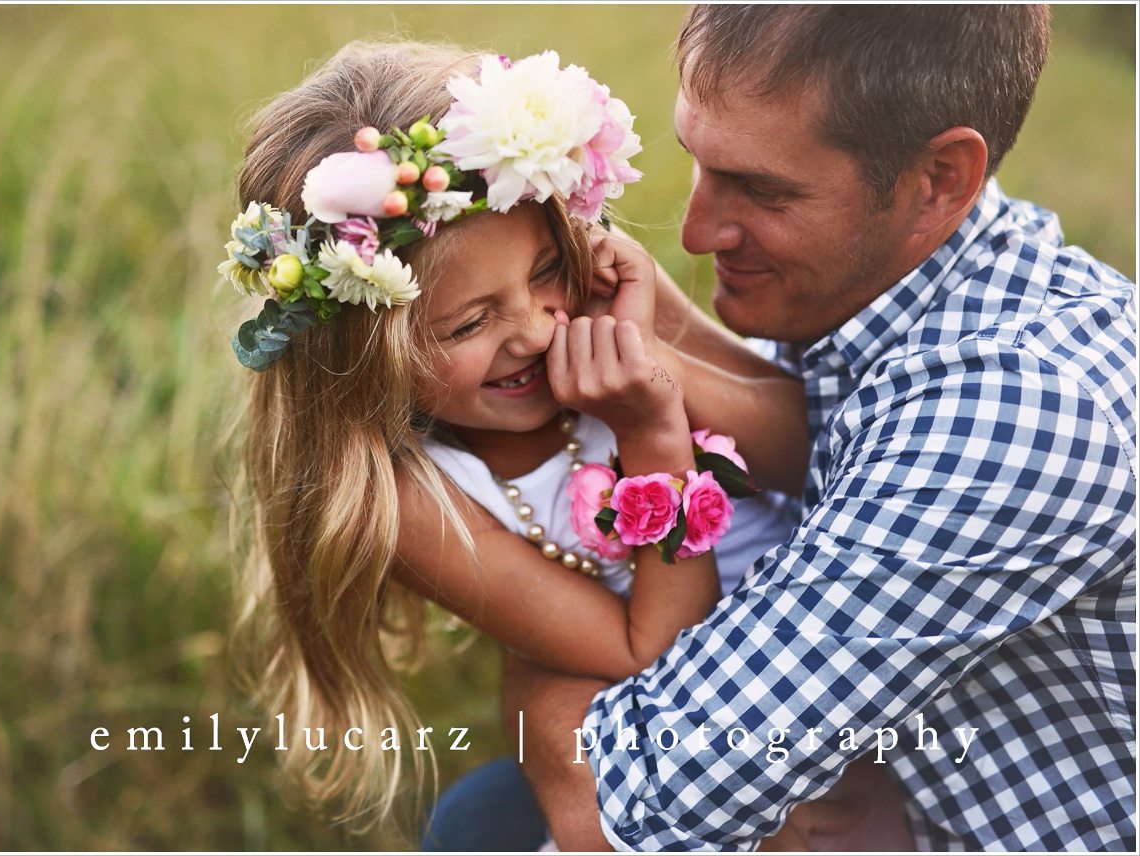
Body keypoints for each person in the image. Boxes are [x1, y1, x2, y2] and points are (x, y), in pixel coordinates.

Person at [506, 5, 1137, 851]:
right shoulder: (870, 276)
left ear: (941, 179)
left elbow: (639, 806)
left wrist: (535, 684)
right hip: (887, 800)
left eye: (762, 190)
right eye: (700, 162)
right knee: (483, 811)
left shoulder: (1021, 405)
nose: (695, 232)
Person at [222, 40, 824, 848]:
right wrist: (650, 436)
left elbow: (823, 449)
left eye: (547, 271)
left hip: (834, 644)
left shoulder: (607, 290)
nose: (538, 331)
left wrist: (650, 361)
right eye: (469, 323)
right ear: (368, 360)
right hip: (699, 710)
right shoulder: (413, 500)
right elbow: (653, 652)